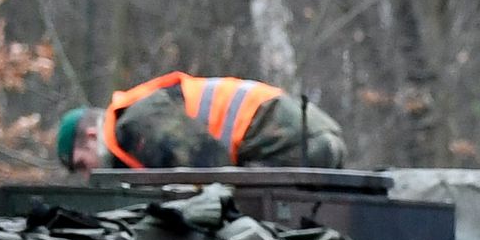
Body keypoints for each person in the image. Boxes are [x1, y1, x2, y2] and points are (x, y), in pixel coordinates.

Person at [57, 73, 349, 172]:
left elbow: (210, 170)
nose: (87, 174)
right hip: (315, 136)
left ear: (92, 136)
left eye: (81, 164)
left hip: (291, 144)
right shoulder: (138, 117)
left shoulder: (136, 123)